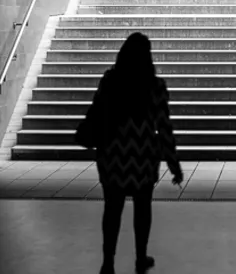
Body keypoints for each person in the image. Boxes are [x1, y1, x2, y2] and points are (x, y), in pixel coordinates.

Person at [75, 33, 183, 274]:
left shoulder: (111, 80)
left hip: (112, 153)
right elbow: (164, 127)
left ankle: (108, 261)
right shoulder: (155, 86)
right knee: (142, 209)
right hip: (144, 156)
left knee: (112, 209)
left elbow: (97, 110)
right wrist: (173, 163)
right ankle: (140, 257)